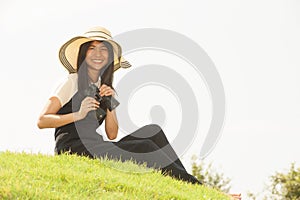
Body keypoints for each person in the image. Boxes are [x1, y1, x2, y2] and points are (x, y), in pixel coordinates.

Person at [37, 26, 201, 185]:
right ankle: (195, 186)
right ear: (83, 53)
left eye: (103, 50)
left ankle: (186, 182)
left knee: (153, 131)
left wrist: (111, 105)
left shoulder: (103, 87)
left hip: (97, 146)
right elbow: (42, 121)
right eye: (92, 48)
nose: (98, 54)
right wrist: (78, 114)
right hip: (74, 150)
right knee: (145, 146)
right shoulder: (71, 82)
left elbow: (112, 134)